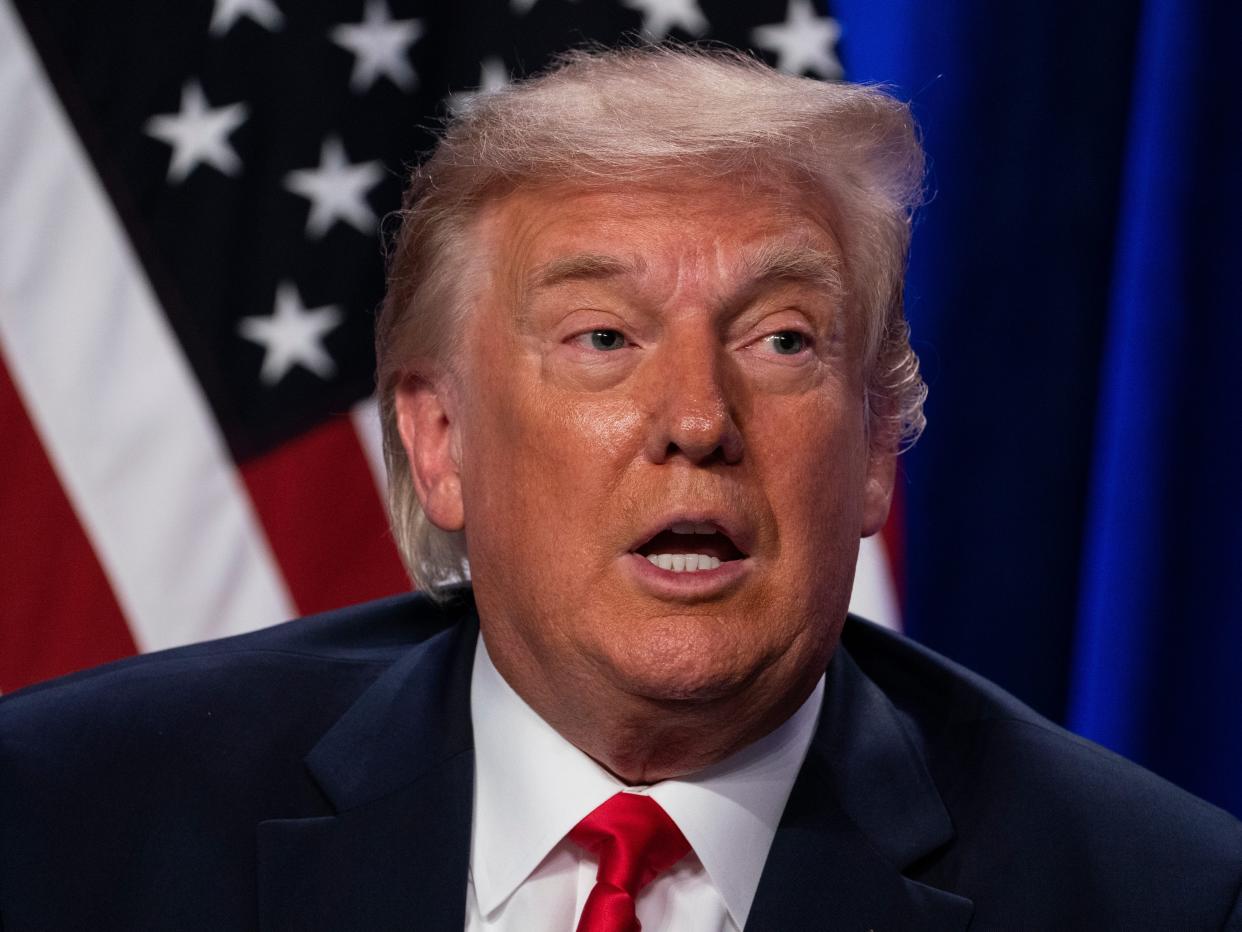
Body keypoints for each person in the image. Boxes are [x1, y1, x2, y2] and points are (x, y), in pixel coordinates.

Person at [1, 46, 1239, 932]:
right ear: (440, 443)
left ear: (872, 448)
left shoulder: (1151, 895)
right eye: (602, 337)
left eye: (784, 340)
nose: (698, 419)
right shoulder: (72, 825)